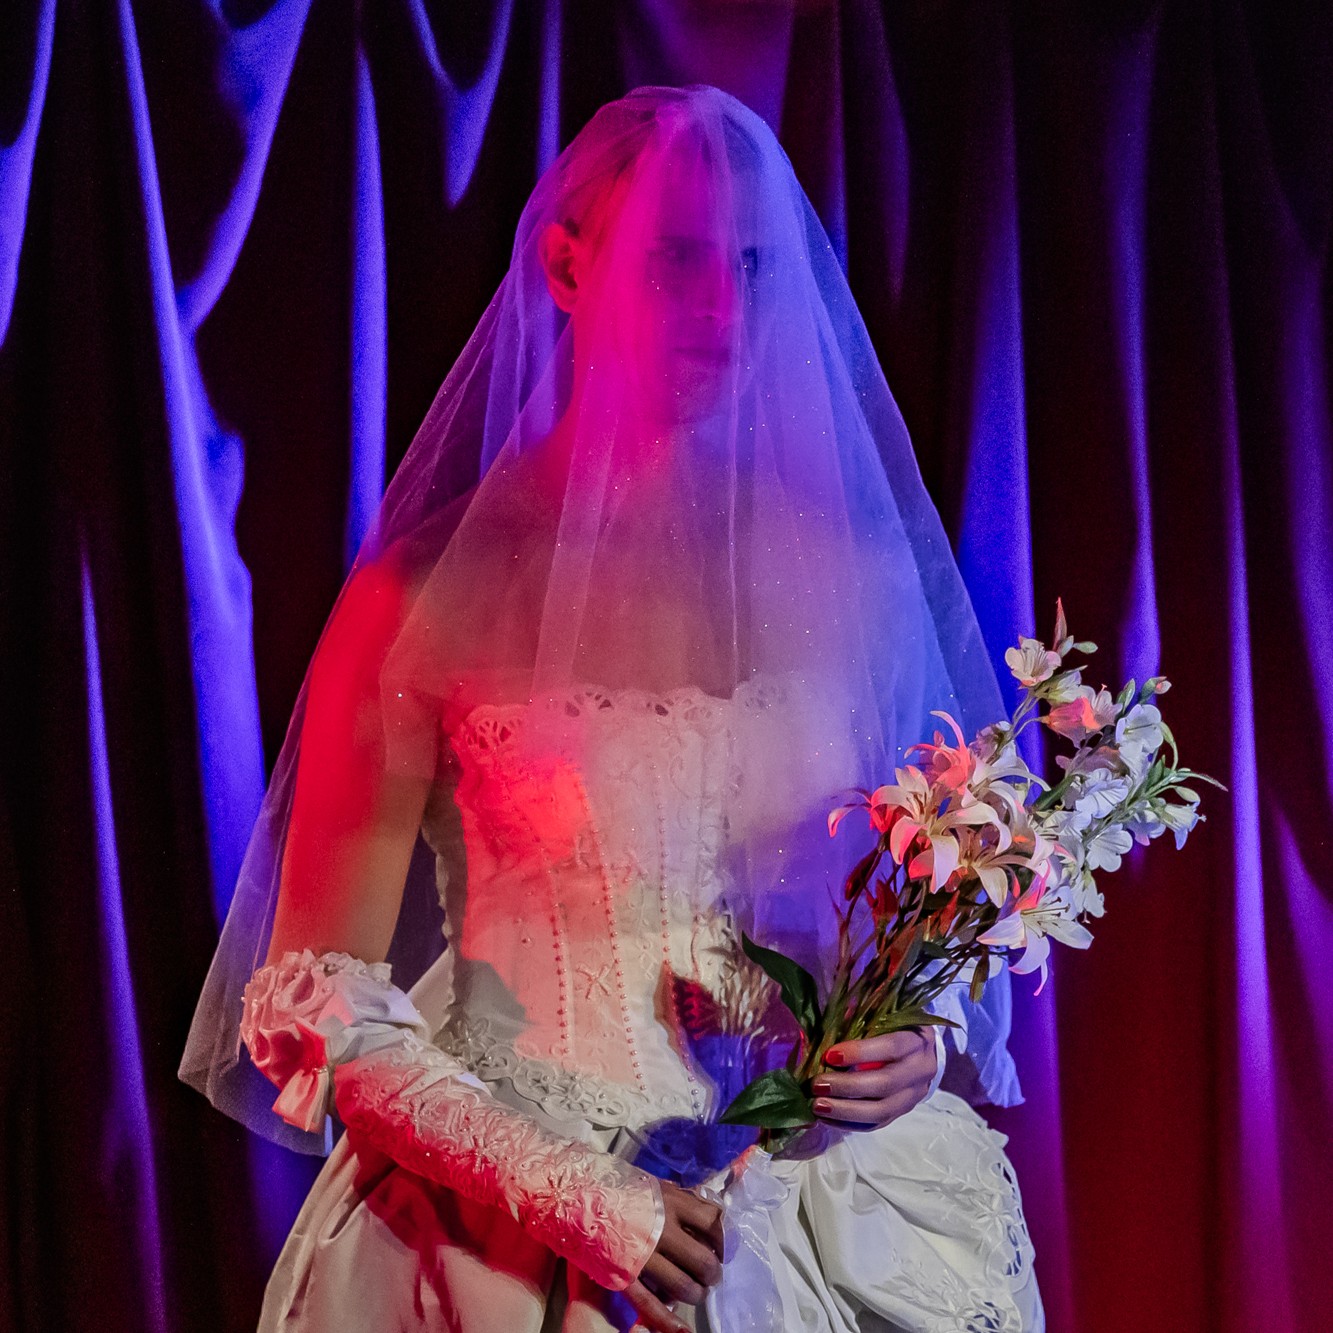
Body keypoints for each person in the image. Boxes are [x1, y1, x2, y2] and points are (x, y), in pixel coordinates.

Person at [181, 85, 1042, 1332]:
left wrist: (908, 1038)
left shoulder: (846, 577)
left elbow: (904, 891)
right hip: (507, 1226)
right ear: (570, 266)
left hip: (819, 1206)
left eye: (750, 260)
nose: (721, 304)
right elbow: (312, 993)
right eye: (679, 255)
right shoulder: (423, 598)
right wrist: (577, 1196)